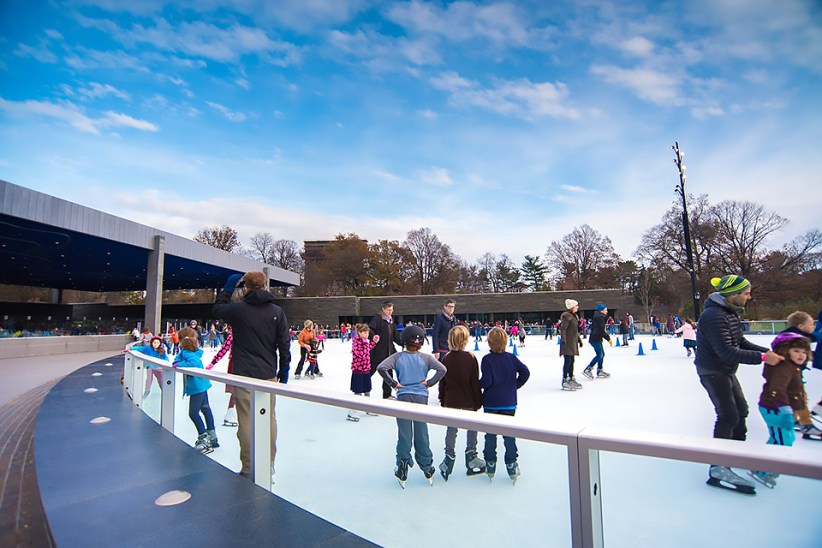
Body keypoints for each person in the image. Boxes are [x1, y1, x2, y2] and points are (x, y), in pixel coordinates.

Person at [695, 274, 783, 494]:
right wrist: (764, 359)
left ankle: (735, 452)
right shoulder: (714, 316)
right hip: (713, 371)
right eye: (746, 293)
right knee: (728, 415)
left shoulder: (728, 313)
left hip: (725, 370)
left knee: (741, 410)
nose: (749, 297)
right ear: (733, 294)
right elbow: (726, 351)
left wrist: (767, 352)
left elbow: (740, 342)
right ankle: (719, 467)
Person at [213, 271, 290, 480]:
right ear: (265, 286)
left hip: (244, 374)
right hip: (267, 374)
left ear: (245, 288)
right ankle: (269, 464)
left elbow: (218, 309)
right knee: (269, 419)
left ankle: (249, 467)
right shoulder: (276, 311)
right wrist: (285, 366)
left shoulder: (238, 310)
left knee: (246, 422)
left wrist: (228, 289)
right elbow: (284, 342)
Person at [377, 325, 446, 488]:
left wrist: (393, 383)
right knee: (421, 432)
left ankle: (402, 465)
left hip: (403, 397)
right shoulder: (426, 358)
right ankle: (427, 466)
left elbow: (381, 368)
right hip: (421, 397)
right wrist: (429, 383)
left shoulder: (397, 357)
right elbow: (442, 369)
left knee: (404, 433)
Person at [748, 332, 813, 488]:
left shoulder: (793, 367)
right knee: (781, 441)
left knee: (785, 439)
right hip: (774, 409)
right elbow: (777, 389)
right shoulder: (784, 368)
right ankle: (761, 469)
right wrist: (785, 410)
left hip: (781, 410)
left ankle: (761, 462)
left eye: (804, 352)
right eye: (796, 351)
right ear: (785, 350)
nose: (801, 355)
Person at [480, 326, 530, 483]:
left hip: (491, 403)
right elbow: (525, 372)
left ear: (489, 343)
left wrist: (476, 384)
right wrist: (514, 385)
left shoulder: (487, 360)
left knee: (490, 434)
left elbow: (486, 381)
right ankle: (511, 463)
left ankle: (490, 462)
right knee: (509, 435)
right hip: (508, 403)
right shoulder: (511, 358)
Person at [437, 325, 484, 481]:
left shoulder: (447, 358)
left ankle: (449, 456)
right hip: (468, 399)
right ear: (465, 340)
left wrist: (442, 399)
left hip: (451, 401)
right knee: (472, 427)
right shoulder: (470, 358)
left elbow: (442, 382)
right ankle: (471, 454)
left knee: (452, 430)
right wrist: (478, 400)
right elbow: (474, 382)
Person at [173, 327, 218, 454]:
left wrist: (179, 364)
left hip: (197, 387)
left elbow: (194, 363)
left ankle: (203, 437)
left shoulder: (187, 352)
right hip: (202, 384)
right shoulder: (190, 351)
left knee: (193, 413)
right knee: (205, 409)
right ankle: (213, 436)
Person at [369, 301, 403, 399]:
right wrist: (373, 336)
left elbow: (395, 336)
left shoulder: (391, 321)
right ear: (383, 309)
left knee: (388, 374)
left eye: (392, 310)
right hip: (377, 352)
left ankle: (387, 394)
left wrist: (403, 343)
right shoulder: (378, 318)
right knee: (370, 371)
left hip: (389, 352)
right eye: (388, 310)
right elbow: (370, 329)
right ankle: (361, 389)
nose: (390, 312)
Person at [347, 323, 380, 422]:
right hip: (358, 370)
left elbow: (368, 349)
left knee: (367, 389)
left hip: (366, 369)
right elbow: (360, 353)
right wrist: (366, 344)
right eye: (364, 333)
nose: (366, 335)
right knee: (357, 390)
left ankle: (368, 407)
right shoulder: (356, 341)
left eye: (367, 333)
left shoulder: (366, 341)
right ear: (359, 333)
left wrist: (373, 342)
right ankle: (353, 411)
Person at [207, 327, 238, 427]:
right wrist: (213, 362)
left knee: (243, 392)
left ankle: (234, 414)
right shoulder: (233, 336)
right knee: (236, 391)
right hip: (237, 365)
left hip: (247, 364)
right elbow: (224, 349)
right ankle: (230, 414)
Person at [583, 304, 612, 380]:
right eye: (605, 310)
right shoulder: (599, 318)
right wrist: (608, 338)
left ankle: (600, 370)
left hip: (597, 338)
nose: (607, 311)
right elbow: (601, 331)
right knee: (599, 355)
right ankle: (588, 369)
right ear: (601, 311)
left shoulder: (599, 317)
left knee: (602, 354)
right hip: (595, 339)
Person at [559, 299, 583, 391]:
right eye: (576, 306)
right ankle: (565, 379)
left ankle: (571, 377)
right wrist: (564, 339)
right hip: (567, 342)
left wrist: (579, 340)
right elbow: (563, 329)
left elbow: (575, 331)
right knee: (567, 361)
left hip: (572, 342)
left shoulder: (574, 316)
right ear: (572, 307)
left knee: (572, 360)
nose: (577, 307)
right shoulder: (567, 316)